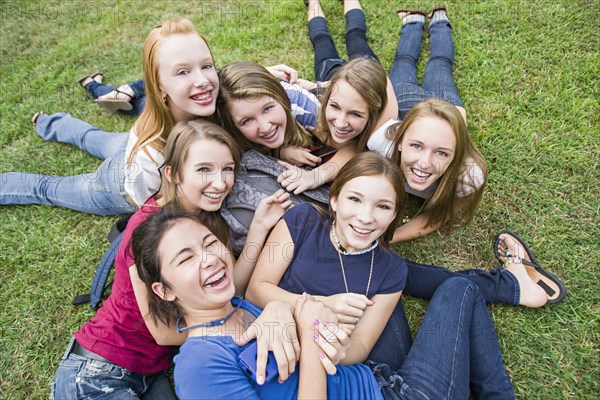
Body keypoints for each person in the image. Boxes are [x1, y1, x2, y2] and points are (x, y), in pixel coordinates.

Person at [132, 207, 516, 399]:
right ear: (164, 290)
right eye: (185, 259)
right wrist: (309, 322)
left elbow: (268, 300)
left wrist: (285, 309)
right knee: (458, 291)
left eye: (210, 243)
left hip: (371, 372)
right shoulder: (200, 366)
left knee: (382, 280)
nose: (210, 258)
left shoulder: (234, 306)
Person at [51, 119, 292, 399]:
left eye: (228, 169)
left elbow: (230, 288)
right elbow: (163, 334)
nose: (220, 182)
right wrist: (242, 326)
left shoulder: (206, 217)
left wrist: (259, 229)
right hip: (98, 370)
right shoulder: (148, 230)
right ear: (173, 173)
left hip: (151, 373)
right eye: (204, 169)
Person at [0, 19, 219, 215]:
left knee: (93, 137)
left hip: (130, 144)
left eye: (206, 65)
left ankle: (50, 122)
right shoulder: (152, 155)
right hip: (118, 183)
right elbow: (143, 204)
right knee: (48, 188)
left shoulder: (213, 96)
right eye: (182, 72)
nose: (202, 80)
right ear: (158, 86)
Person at [362, 7, 487, 242]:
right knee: (404, 60)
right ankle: (414, 21)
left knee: (440, 64)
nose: (424, 163)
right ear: (399, 142)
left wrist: (386, 238)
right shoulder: (382, 143)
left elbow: (436, 218)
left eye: (441, 152)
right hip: (407, 101)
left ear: (456, 154)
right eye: (416, 146)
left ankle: (440, 19)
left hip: (445, 107)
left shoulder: (468, 176)